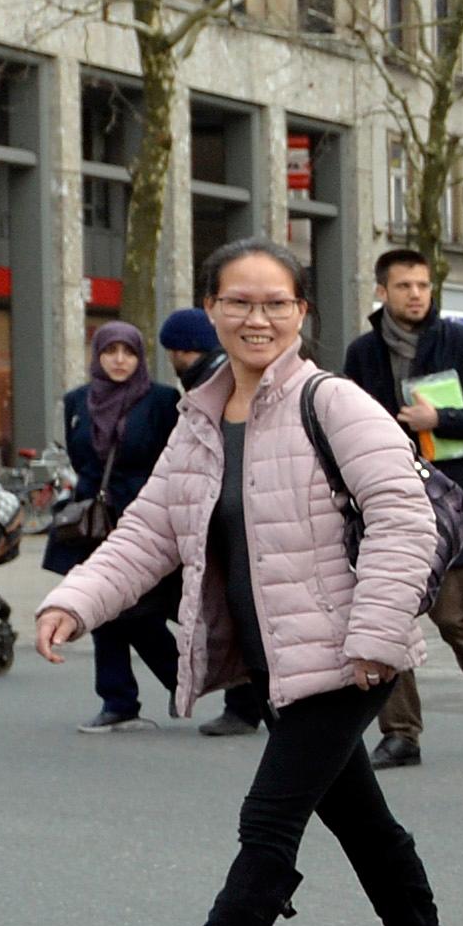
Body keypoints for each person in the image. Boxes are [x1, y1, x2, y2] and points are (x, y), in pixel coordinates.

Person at [30, 239, 454, 926]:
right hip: (275, 661)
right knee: (361, 818)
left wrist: (374, 638)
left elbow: (406, 521)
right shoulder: (198, 420)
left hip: (346, 655)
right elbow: (146, 531)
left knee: (269, 820)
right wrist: (74, 601)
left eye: (275, 303)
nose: (257, 317)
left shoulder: (334, 404)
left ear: (302, 313)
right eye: (239, 301)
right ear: (212, 309)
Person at [341, 249, 463, 768]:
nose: (416, 294)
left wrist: (438, 417)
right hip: (384, 502)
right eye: (404, 286)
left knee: (452, 616)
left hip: (449, 503)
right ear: (382, 292)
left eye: (422, 285)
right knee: (388, 618)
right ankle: (401, 733)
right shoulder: (363, 354)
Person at [55, 322, 185, 731]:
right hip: (94, 522)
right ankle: (118, 699)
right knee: (102, 611)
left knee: (139, 611)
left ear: (139, 357)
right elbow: (79, 461)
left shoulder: (162, 400)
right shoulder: (77, 401)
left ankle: (183, 679)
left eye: (127, 352)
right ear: (97, 355)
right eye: (109, 351)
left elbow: (177, 458)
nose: (118, 360)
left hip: (148, 517)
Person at [148, 307, 271, 737]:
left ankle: (244, 705)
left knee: (236, 610)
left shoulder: (212, 383)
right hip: (224, 514)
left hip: (227, 517)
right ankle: (247, 702)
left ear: (183, 350)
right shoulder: (210, 379)